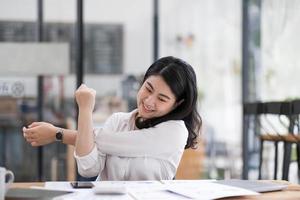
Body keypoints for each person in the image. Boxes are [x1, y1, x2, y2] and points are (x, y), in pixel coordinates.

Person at [23, 56, 202, 181]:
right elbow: (88, 168)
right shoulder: (118, 120)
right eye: (148, 88)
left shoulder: (176, 131)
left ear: (177, 104)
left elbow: (111, 142)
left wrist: (57, 133)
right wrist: (85, 110)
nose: (149, 101)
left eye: (162, 99)